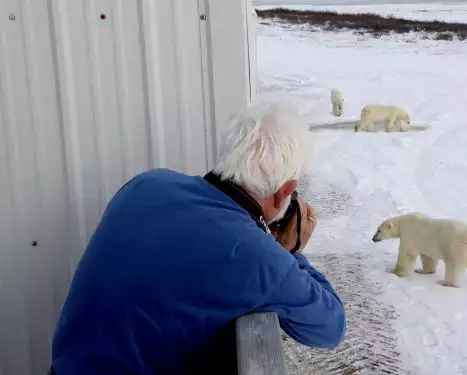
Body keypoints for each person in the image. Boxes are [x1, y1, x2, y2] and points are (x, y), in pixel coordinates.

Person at [50, 101, 346, 374]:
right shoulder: (258, 256)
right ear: (285, 191)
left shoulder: (146, 184)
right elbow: (330, 328)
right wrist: (290, 250)